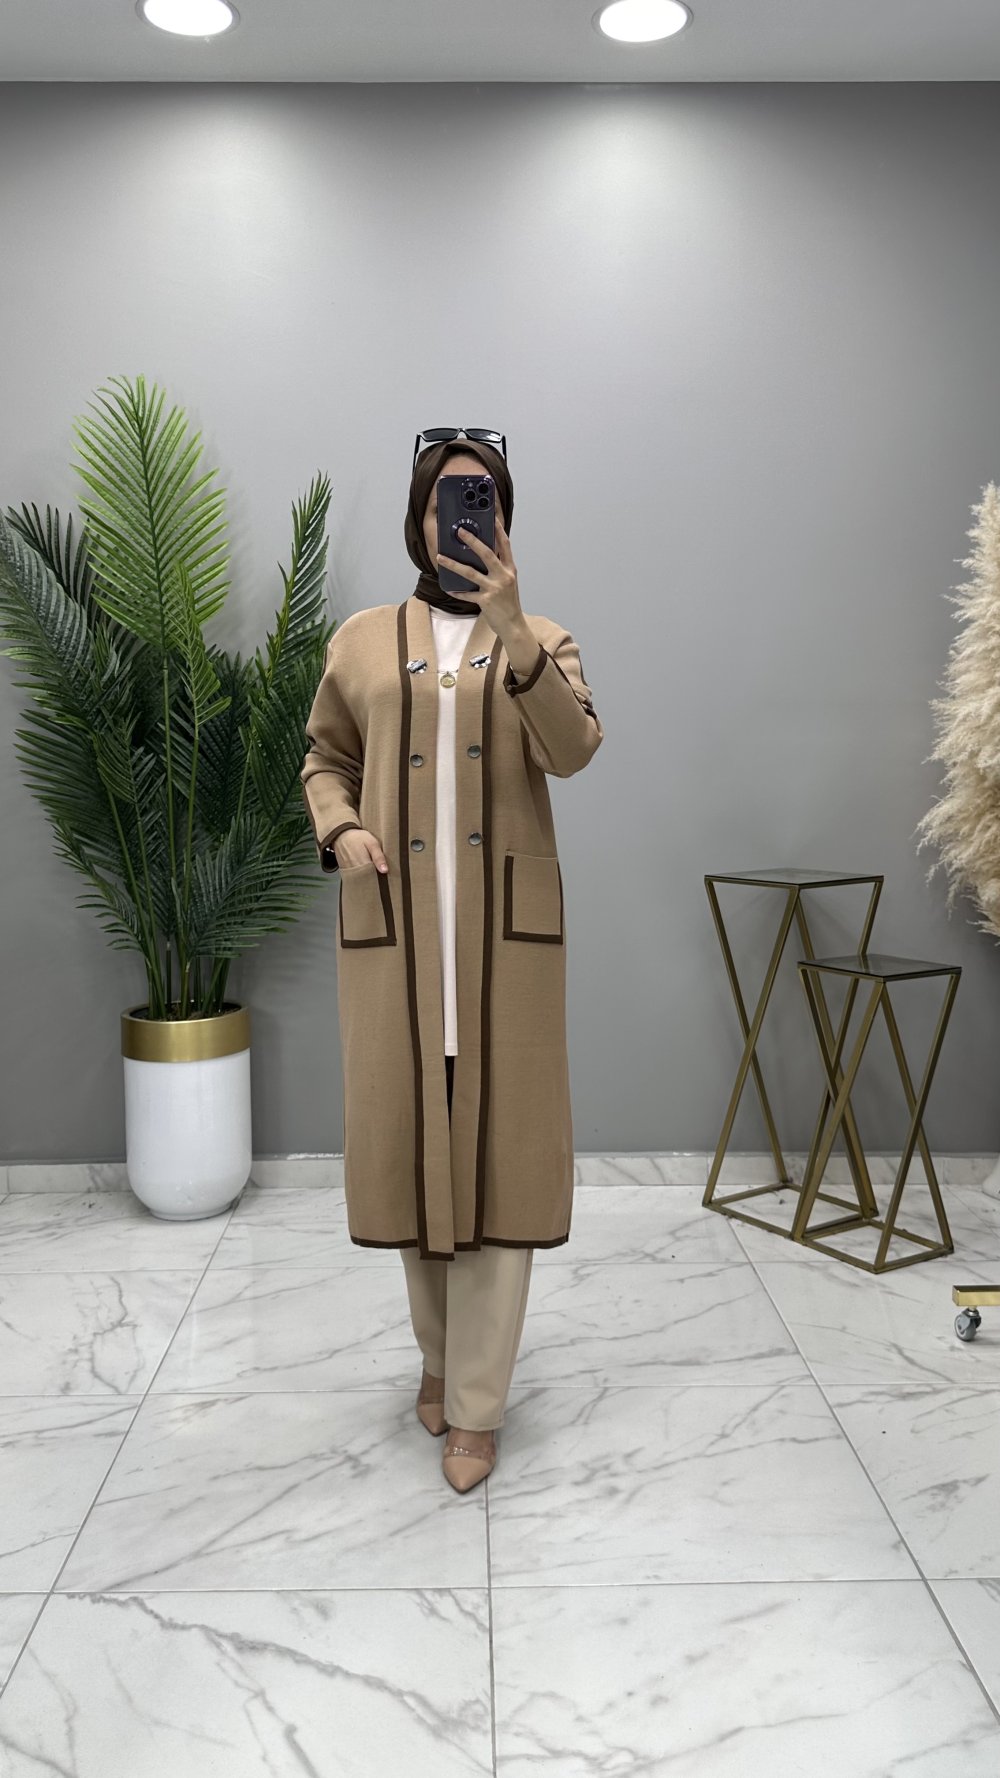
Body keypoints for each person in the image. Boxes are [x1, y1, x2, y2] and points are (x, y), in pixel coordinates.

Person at [300, 428, 604, 1493]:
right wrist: (341, 830)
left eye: (482, 500)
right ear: (417, 517)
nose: (462, 517)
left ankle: (477, 1404)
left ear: (504, 520)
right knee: (411, 1151)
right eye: (445, 499)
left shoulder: (544, 639)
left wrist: (514, 629)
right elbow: (325, 758)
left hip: (501, 949)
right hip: (395, 938)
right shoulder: (360, 642)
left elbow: (572, 749)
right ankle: (436, 1358)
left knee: (501, 1157)